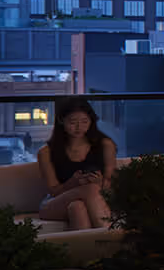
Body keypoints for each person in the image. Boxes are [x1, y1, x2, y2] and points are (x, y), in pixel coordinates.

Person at [37, 97, 116, 231]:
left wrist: (100, 183)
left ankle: (86, 245)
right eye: (73, 122)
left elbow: (110, 183)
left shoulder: (105, 145)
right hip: (53, 204)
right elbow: (54, 191)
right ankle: (110, 237)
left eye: (85, 121)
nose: (79, 127)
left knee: (77, 207)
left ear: (91, 121)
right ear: (61, 120)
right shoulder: (46, 152)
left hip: (93, 199)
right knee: (91, 189)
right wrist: (72, 183)